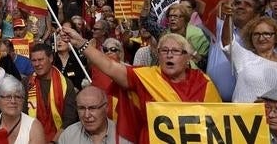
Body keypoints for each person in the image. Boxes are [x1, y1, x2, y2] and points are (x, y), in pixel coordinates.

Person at [62, 27, 221, 144]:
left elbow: (219, 124)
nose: (169, 55)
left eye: (175, 51)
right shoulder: (147, 77)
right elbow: (110, 67)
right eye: (164, 51)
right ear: (158, 55)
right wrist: (82, 43)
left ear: (187, 58)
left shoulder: (203, 83)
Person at [27, 43, 78, 142]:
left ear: (50, 58)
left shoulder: (66, 84)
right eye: (34, 60)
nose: (37, 64)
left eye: (41, 60)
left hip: (60, 138)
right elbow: (23, 115)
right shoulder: (27, 83)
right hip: (32, 137)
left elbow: (69, 119)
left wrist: (54, 142)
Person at [221, 16, 277, 102]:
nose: (261, 38)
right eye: (256, 34)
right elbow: (227, 42)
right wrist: (229, 16)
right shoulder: (243, 56)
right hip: (242, 114)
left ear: (275, 37)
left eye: (266, 34)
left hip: (271, 114)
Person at [58, 85, 133, 144]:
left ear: (106, 108)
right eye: (81, 108)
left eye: (92, 108)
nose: (86, 115)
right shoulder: (68, 136)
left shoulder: (125, 137)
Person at [0, 75, 46, 144]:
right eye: (8, 97)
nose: (13, 101)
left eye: (18, 97)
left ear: (23, 100)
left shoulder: (34, 127)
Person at [54, 22, 87, 90]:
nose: (59, 42)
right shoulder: (52, 59)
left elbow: (79, 80)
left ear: (70, 43)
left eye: (62, 40)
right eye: (57, 40)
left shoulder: (77, 60)